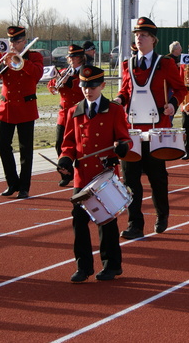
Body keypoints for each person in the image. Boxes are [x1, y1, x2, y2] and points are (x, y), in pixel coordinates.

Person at [57, 65, 132, 283]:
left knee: (106, 222)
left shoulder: (115, 110)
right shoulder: (74, 111)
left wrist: (120, 149)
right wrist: (65, 159)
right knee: (79, 222)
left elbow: (124, 137)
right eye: (84, 86)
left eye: (92, 86)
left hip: (104, 175)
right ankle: (83, 266)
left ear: (102, 86)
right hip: (82, 177)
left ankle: (112, 265)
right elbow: (69, 142)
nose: (87, 91)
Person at [115, 17, 186, 239]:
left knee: (157, 177)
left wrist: (172, 106)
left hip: (156, 129)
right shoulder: (128, 64)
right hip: (132, 130)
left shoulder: (165, 63)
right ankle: (135, 224)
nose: (139, 38)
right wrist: (118, 100)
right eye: (137, 35)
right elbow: (126, 90)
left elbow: (180, 89)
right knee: (131, 180)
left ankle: (162, 214)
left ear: (153, 40)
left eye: (143, 35)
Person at [0, 26, 43, 199]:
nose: (13, 45)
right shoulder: (2, 56)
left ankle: (24, 187)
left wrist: (22, 62)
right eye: (11, 42)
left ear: (24, 41)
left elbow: (37, 74)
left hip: (26, 108)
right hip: (7, 108)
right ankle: (12, 182)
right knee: (2, 145)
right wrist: (2, 64)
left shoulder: (34, 56)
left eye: (17, 42)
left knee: (26, 150)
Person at [47, 44, 86, 186]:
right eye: (69, 57)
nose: (71, 59)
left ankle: (79, 171)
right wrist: (53, 84)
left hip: (78, 113)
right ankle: (65, 171)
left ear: (80, 58)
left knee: (79, 145)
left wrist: (69, 82)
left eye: (74, 57)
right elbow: (52, 83)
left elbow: (83, 88)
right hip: (64, 114)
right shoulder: (64, 71)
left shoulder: (84, 72)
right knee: (60, 143)